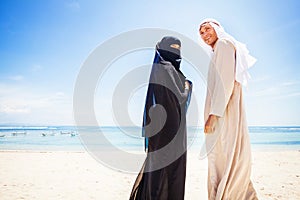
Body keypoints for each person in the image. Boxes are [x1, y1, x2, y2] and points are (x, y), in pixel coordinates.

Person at [199, 19, 258, 200]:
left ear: (217, 29)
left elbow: (225, 83)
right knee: (226, 154)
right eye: (201, 33)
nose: (204, 34)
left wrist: (213, 115)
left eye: (207, 29)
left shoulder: (224, 45)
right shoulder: (218, 49)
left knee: (225, 153)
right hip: (224, 110)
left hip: (224, 112)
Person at [129, 36, 192, 200]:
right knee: (170, 172)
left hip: (162, 131)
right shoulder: (166, 68)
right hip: (170, 132)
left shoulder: (163, 68)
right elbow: (180, 98)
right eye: (171, 47)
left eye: (178, 47)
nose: (175, 50)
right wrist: (188, 86)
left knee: (159, 171)